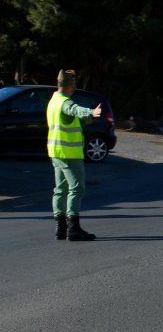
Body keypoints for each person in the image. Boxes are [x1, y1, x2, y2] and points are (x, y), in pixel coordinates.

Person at [47, 69, 104, 241]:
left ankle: (61, 227)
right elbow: (74, 109)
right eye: (73, 84)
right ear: (68, 85)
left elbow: (68, 118)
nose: (74, 88)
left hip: (56, 152)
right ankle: (73, 228)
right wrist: (90, 112)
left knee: (60, 190)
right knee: (76, 188)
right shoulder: (65, 102)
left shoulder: (53, 101)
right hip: (69, 154)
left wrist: (84, 119)